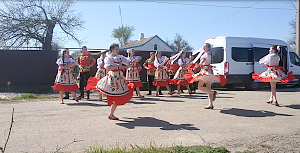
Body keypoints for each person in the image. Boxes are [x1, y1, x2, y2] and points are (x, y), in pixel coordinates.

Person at [86, 43, 135, 120]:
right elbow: (108, 67)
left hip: (119, 78)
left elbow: (128, 64)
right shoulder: (108, 58)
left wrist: (131, 63)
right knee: (115, 96)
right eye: (116, 49)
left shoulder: (120, 57)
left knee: (118, 96)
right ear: (112, 50)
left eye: (118, 49)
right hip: (112, 78)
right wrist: (117, 65)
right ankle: (111, 114)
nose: (117, 51)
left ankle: (111, 114)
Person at [185, 43, 227, 109]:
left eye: (205, 47)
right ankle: (211, 104)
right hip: (209, 71)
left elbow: (201, 63)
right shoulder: (209, 54)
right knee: (208, 88)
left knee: (200, 87)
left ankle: (213, 93)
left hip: (205, 72)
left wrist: (199, 64)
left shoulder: (205, 54)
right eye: (203, 47)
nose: (203, 48)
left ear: (208, 48)